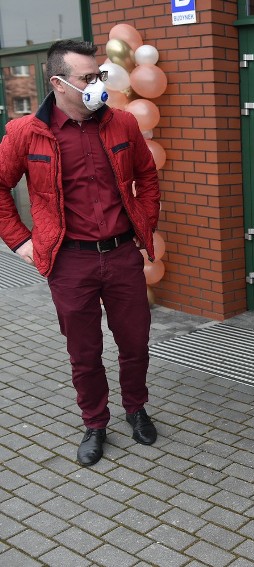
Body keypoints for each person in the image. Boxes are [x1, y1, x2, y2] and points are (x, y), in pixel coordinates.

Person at [0, 40, 161, 466]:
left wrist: (145, 223)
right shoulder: (25, 132)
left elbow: (147, 176)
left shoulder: (122, 123)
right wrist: (20, 241)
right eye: (88, 78)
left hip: (123, 254)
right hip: (70, 262)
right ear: (58, 83)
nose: (97, 84)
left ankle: (136, 408)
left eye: (100, 75)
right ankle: (94, 422)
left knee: (135, 342)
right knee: (84, 351)